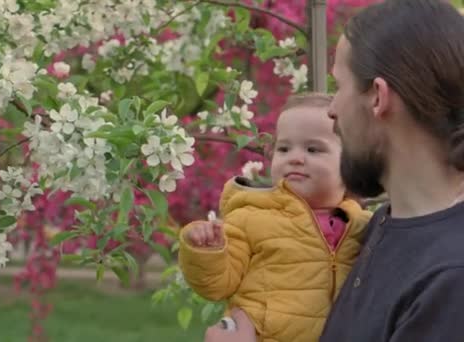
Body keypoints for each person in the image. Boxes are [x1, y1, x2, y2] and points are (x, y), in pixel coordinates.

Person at [204, 0, 464, 341]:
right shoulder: (375, 228)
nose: (331, 110)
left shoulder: (450, 281)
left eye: (338, 86)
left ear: (377, 97)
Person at [179, 93, 371, 341]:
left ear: (351, 164)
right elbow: (216, 285)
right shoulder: (251, 217)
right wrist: (207, 252)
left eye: (313, 149)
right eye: (284, 148)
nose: (295, 157)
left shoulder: (363, 226)